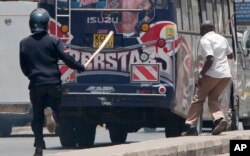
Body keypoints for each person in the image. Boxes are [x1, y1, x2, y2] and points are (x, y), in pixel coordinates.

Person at [19, 8, 85, 156]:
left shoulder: (24, 43)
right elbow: (66, 59)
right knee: (56, 110)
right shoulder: (54, 41)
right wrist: (79, 67)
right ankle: (53, 114)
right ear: (46, 25)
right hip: (53, 83)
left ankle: (39, 146)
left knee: (37, 117)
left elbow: (24, 67)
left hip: (36, 84)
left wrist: (32, 76)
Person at [181, 20, 234, 136]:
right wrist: (220, 50)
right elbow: (231, 55)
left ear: (205, 30)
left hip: (212, 74)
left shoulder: (205, 40)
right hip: (225, 75)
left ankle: (191, 126)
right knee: (213, 98)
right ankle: (220, 119)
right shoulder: (222, 38)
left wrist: (201, 74)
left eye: (201, 30)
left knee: (198, 99)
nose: (200, 32)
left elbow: (210, 58)